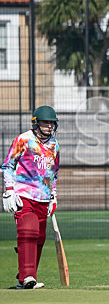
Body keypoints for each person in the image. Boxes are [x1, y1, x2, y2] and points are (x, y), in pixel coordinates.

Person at [2, 106, 60, 289]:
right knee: (29, 230)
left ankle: (26, 276)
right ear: (36, 123)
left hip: (43, 197)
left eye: (51, 123)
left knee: (40, 237)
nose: (49, 126)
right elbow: (7, 166)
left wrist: (53, 196)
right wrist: (9, 190)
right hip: (23, 195)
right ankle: (26, 278)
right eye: (45, 123)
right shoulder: (23, 140)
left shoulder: (54, 145)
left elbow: (54, 173)